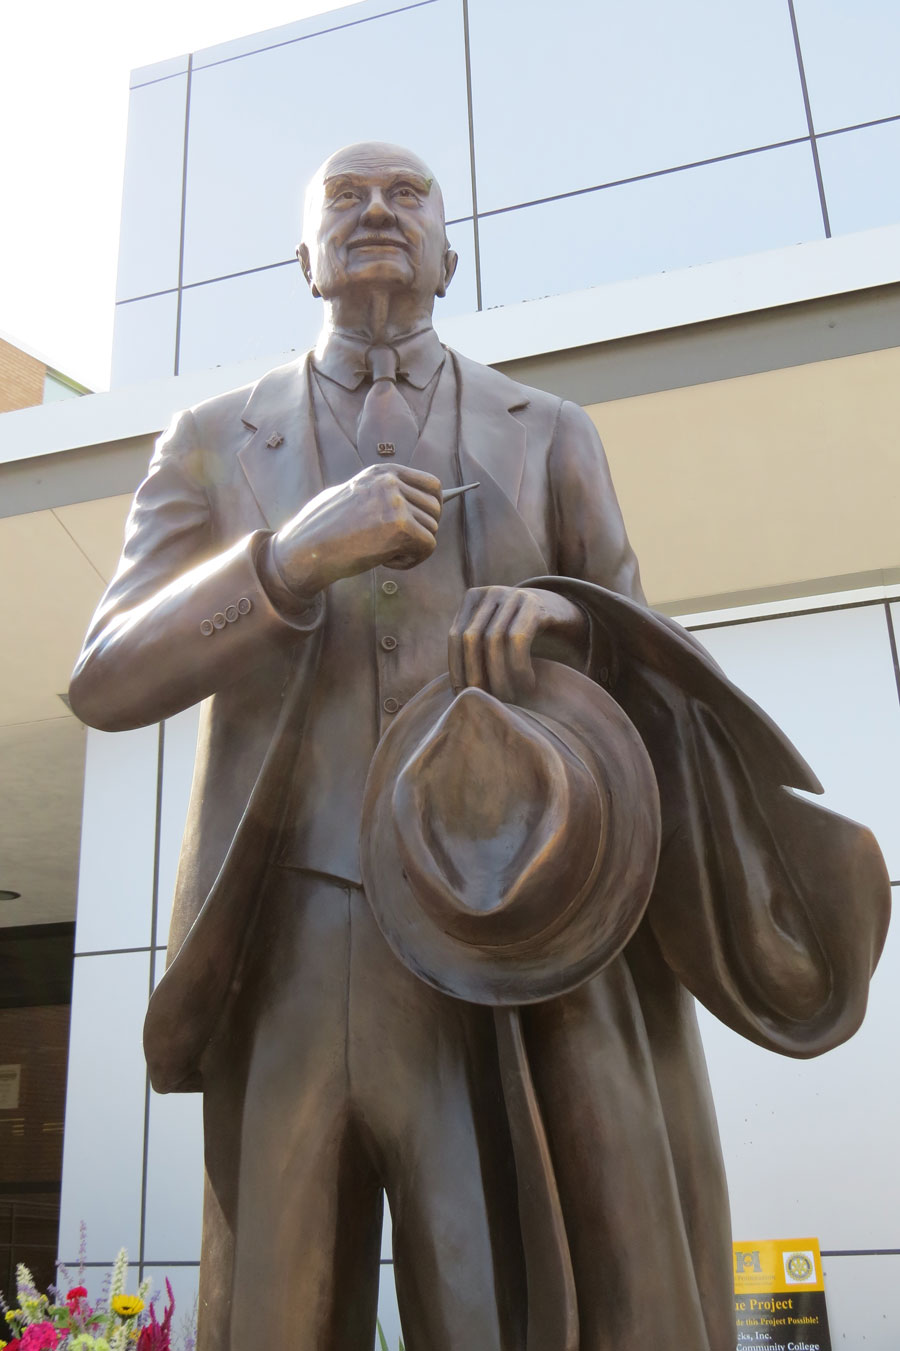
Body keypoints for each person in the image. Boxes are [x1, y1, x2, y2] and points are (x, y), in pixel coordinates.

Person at [69, 143, 889, 1351]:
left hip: (498, 928)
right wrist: (288, 559)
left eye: (407, 194)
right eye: (343, 197)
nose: (376, 211)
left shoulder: (549, 430)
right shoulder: (209, 441)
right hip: (288, 935)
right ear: (303, 259)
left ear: (451, 256)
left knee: (499, 1299)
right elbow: (102, 675)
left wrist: (564, 614)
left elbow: (648, 647)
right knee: (277, 1303)